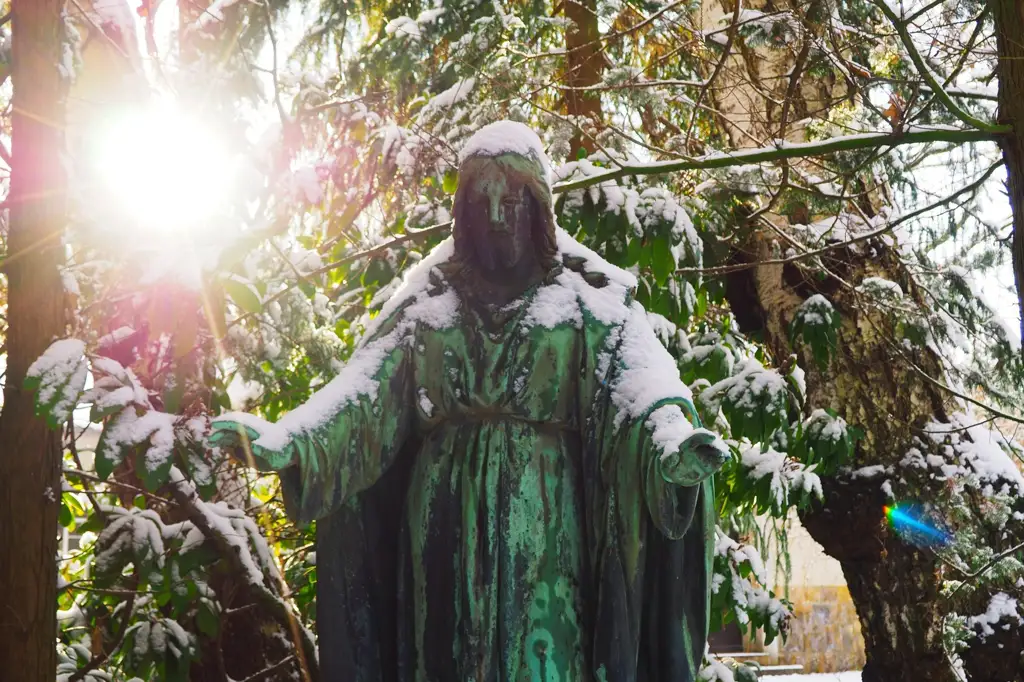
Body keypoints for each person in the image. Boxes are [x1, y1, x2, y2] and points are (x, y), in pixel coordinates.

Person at [210, 120, 729, 682]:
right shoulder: (427, 303)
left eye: (512, 201)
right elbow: (362, 398)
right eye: (482, 204)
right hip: (442, 520)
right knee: (445, 656)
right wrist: (291, 441)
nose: (498, 217)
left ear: (538, 209)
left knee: (548, 655)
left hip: (546, 521)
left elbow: (641, 392)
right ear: (463, 213)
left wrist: (671, 445)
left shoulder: (587, 301)